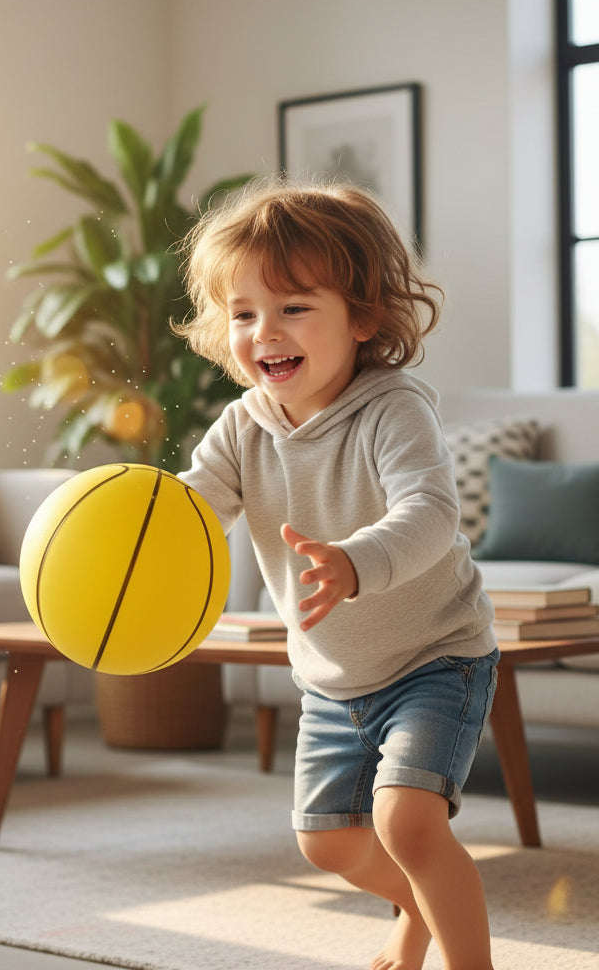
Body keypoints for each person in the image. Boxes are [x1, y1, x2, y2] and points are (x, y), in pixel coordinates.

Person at [176, 176, 499, 970]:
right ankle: (417, 910)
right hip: (332, 678)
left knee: (408, 823)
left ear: (362, 317)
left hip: (437, 657)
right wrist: (134, 535)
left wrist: (356, 563)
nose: (264, 331)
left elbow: (429, 512)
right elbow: (191, 512)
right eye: (243, 313)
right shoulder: (240, 426)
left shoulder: (394, 407)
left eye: (293, 307)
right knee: (327, 844)